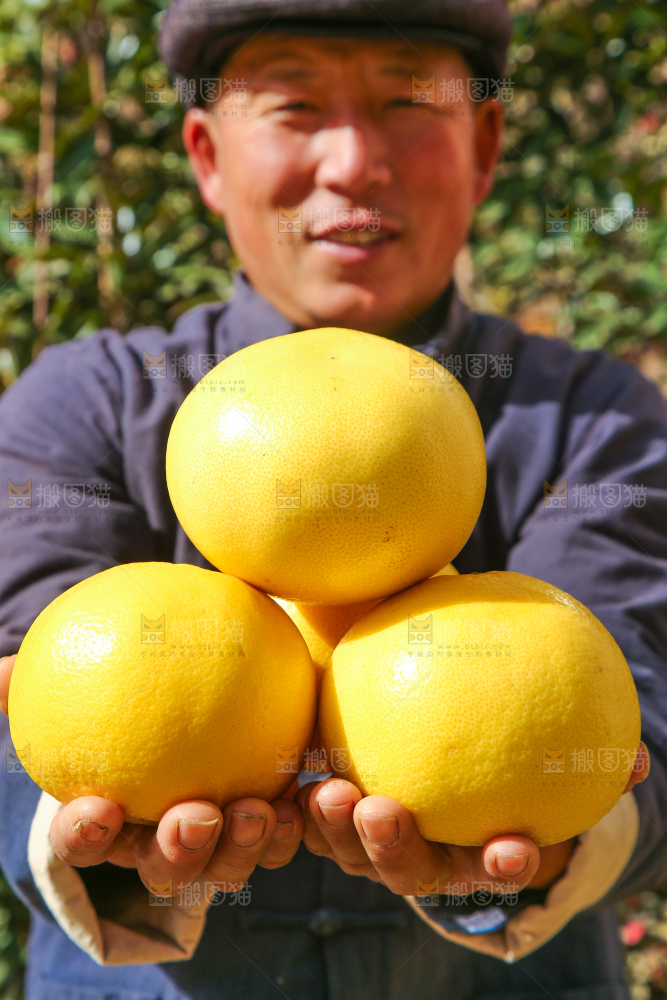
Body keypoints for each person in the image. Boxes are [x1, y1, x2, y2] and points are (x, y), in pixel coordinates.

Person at [0, 0, 665, 997]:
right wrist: (78, 818)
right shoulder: (85, 398)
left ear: (483, 145)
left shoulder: (595, 414)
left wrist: (572, 830)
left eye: (407, 101)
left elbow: (631, 692)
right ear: (206, 156)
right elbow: (32, 683)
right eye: (294, 106)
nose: (353, 162)